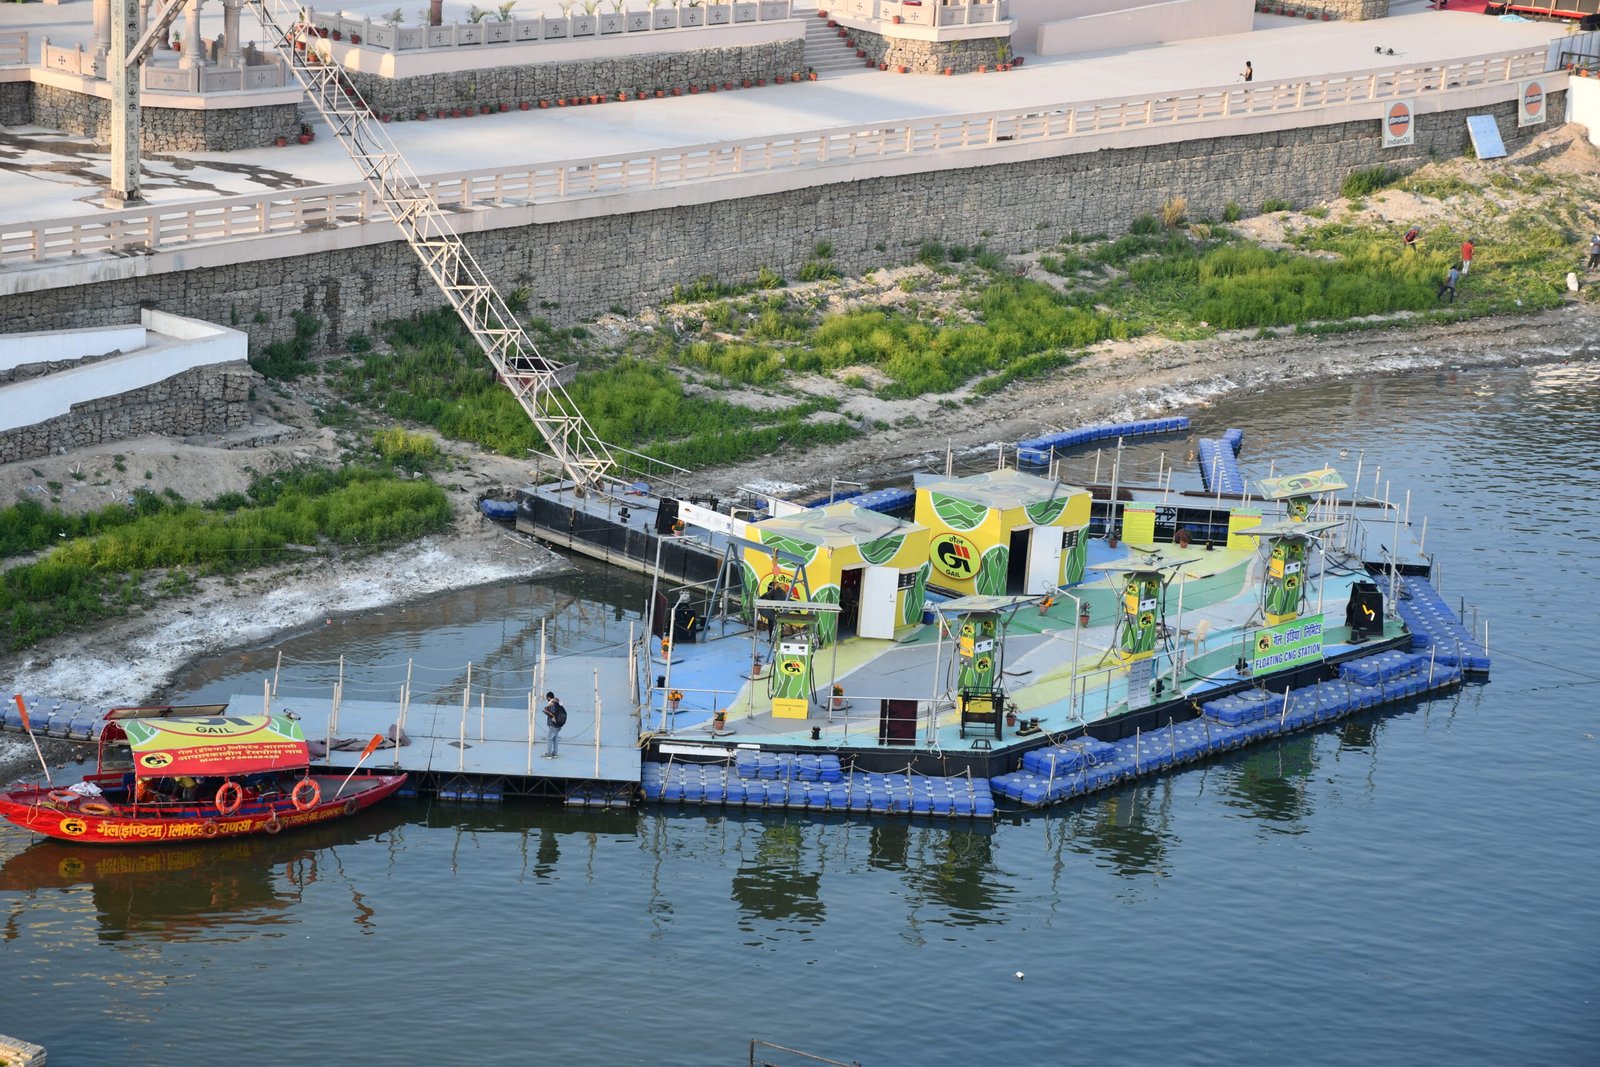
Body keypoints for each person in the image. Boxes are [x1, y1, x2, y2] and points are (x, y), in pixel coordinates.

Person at [542, 692, 567, 759]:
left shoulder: (552, 704)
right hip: (559, 724)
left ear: (548, 697)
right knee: (555, 739)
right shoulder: (558, 702)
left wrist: (546, 711)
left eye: (547, 698)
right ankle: (555, 753)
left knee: (549, 739)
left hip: (554, 724)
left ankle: (549, 754)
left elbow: (553, 714)